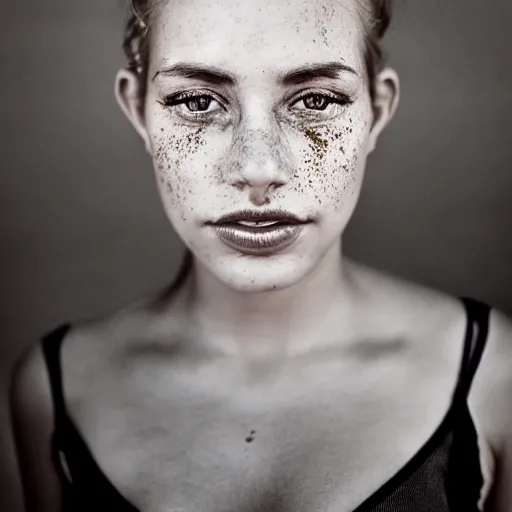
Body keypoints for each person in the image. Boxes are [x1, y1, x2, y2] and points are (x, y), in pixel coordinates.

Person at [9, 0, 512, 510]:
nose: (257, 167)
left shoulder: (495, 376)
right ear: (138, 108)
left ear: (376, 112)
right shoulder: (57, 389)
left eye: (315, 101)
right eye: (197, 102)